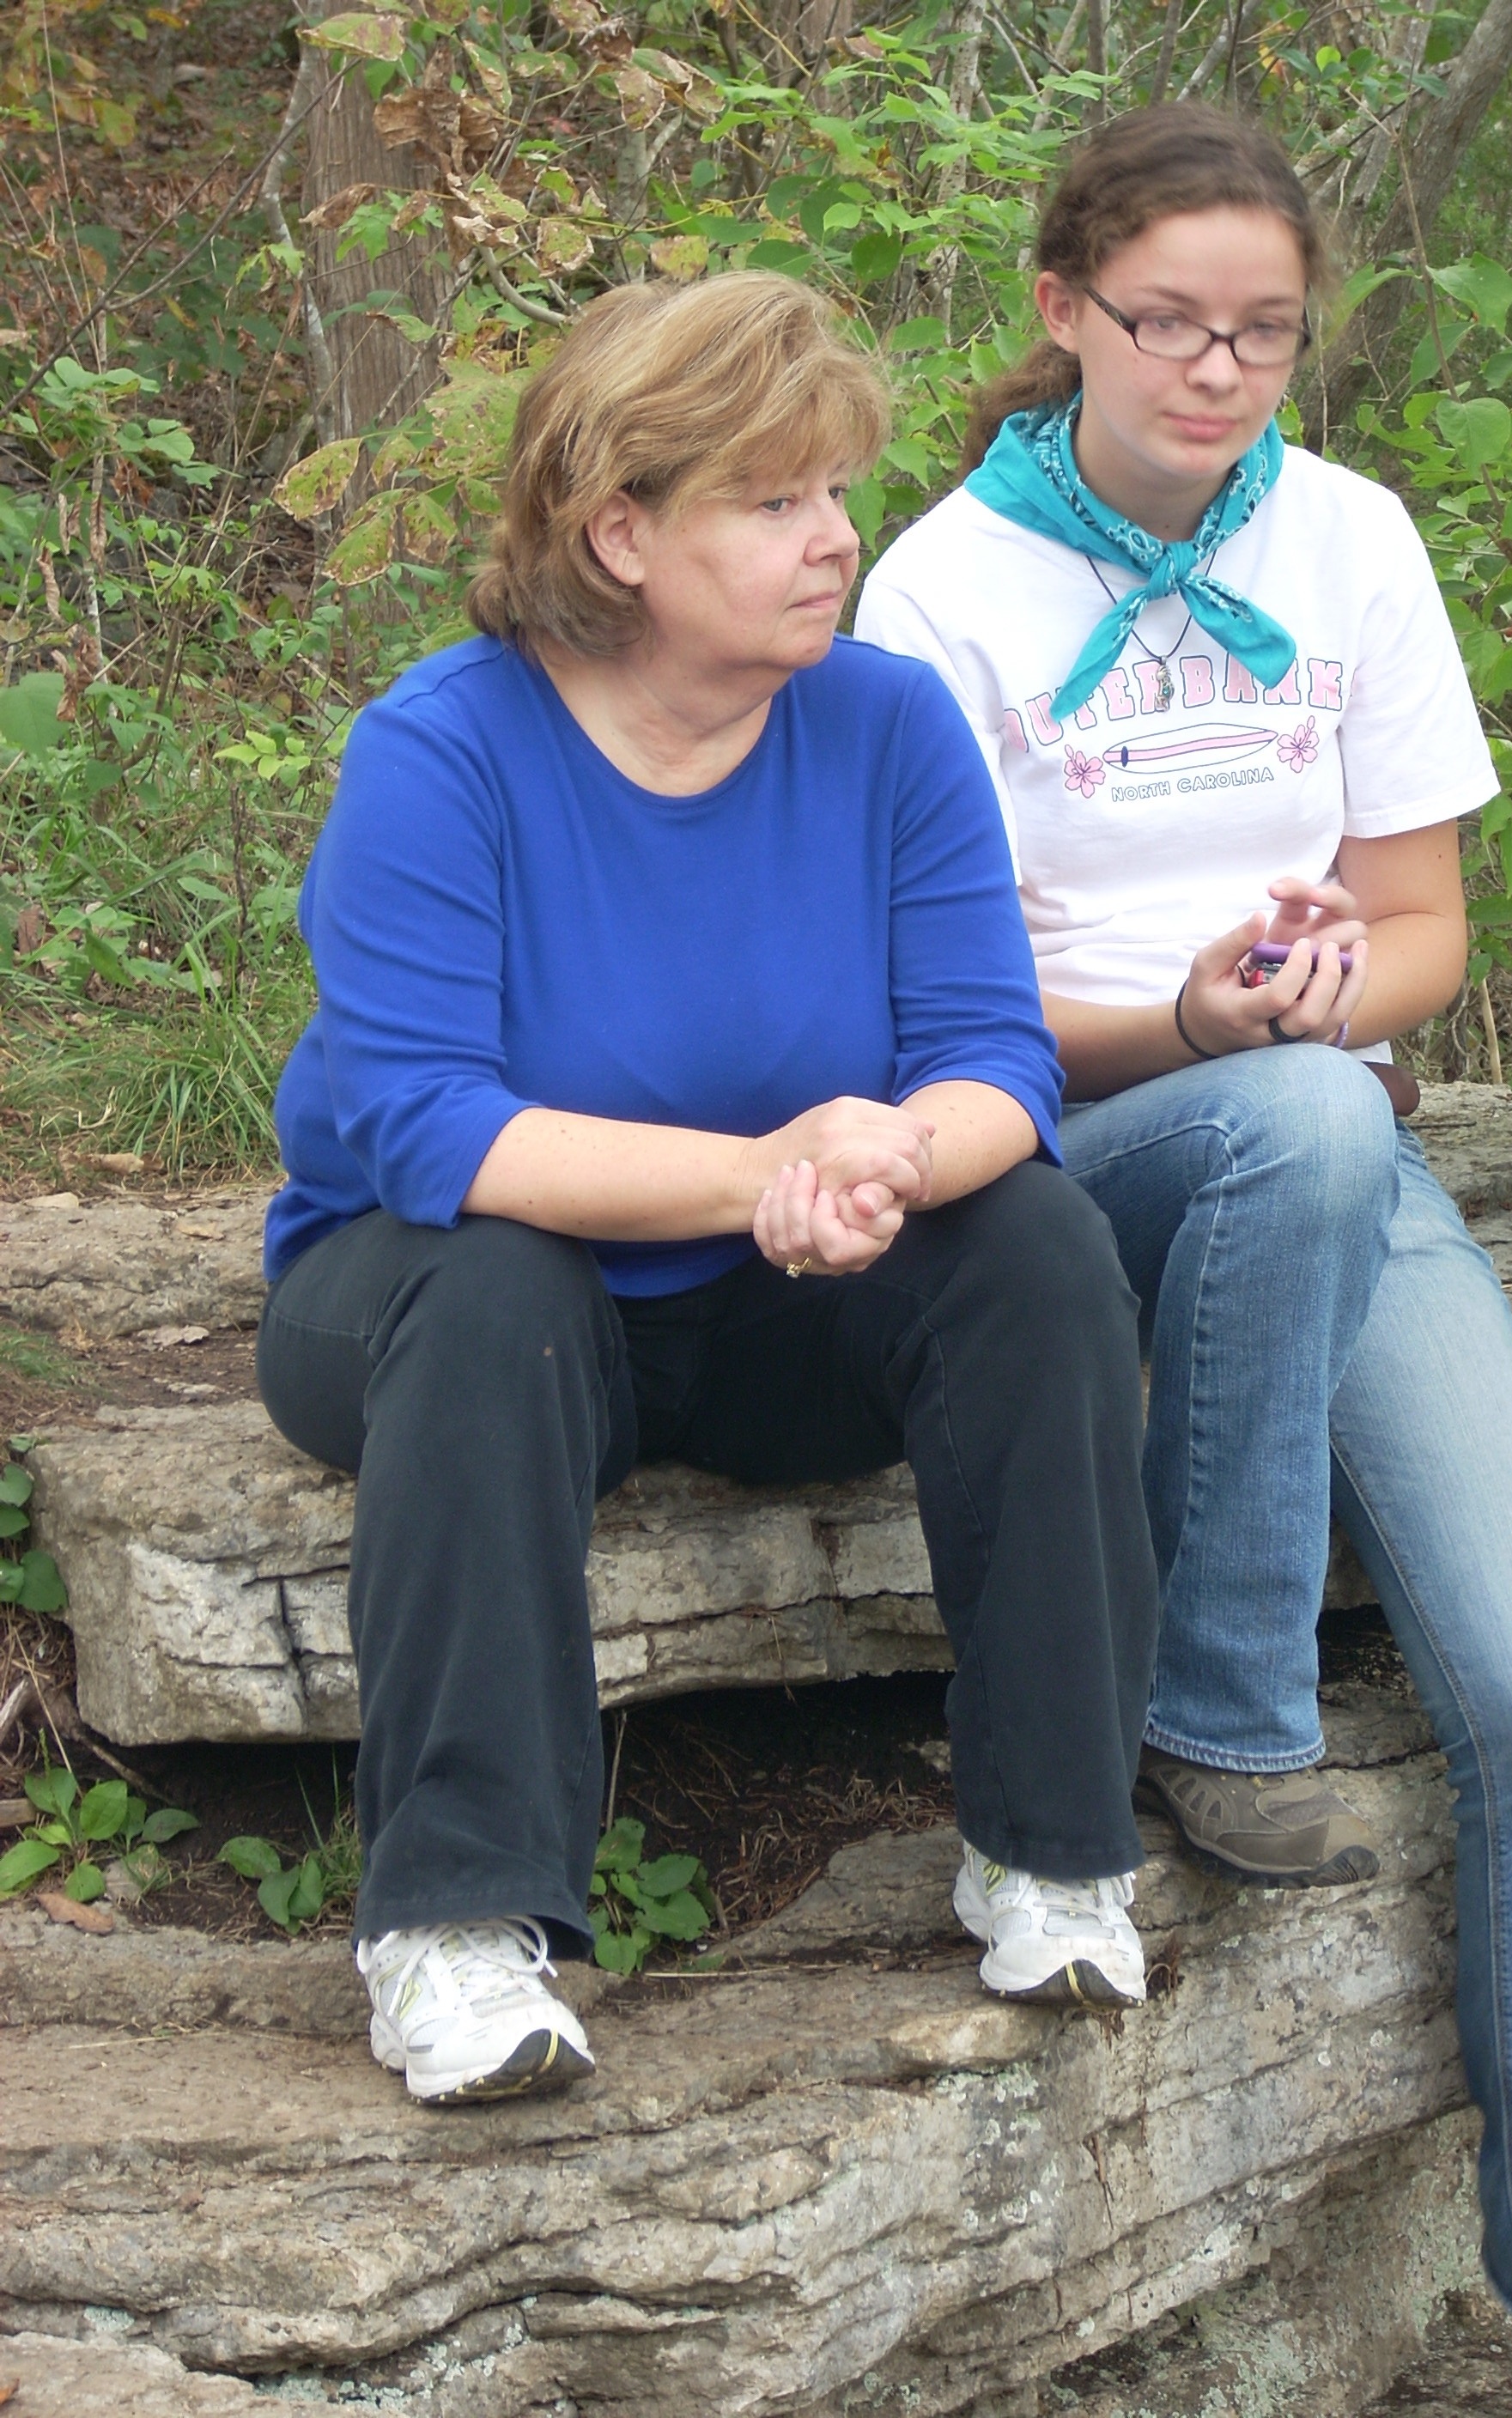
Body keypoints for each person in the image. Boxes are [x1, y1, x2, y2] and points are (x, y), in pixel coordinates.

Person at [856, 105, 1512, 2418]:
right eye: (1171, 328)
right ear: (1061, 314)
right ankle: (1211, 1708)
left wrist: (1330, 996)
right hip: (1067, 1143)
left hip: (1328, 1133)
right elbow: (925, 1001)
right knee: (1299, 1118)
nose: (1221, 373)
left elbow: (1420, 925)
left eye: (1266, 334)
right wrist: (1196, 1025)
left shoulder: (1348, 541)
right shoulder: (933, 590)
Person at [257, 270, 1163, 2108]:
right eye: (776, 502)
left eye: (836, 493)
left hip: (776, 1312)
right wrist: (767, 1169)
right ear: (622, 530)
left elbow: (997, 1059)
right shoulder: (441, 754)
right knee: (497, 1278)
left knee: (1040, 1245)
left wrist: (888, 1156)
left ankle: (1054, 1852)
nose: (839, 540)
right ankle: (454, 1927)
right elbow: (437, 1134)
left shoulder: (889, 729)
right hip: (444, 1302)